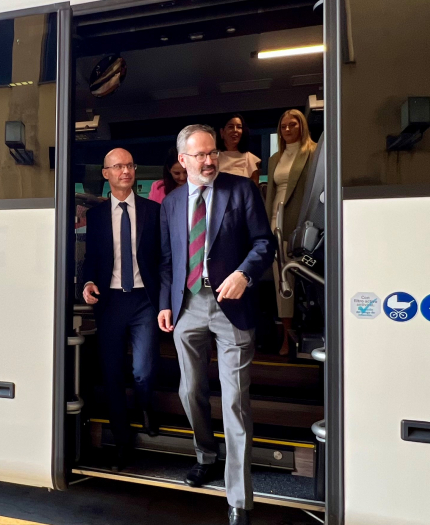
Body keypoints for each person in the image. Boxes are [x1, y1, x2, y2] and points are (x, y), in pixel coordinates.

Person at [157, 125, 275, 525]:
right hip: (187, 305)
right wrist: (165, 303)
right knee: (190, 391)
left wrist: (245, 273)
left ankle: (239, 500)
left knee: (234, 403)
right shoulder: (172, 203)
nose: (209, 161)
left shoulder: (241, 190)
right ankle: (206, 456)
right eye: (201, 155)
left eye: (213, 154)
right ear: (183, 160)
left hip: (233, 307)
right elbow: (169, 260)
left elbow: (265, 243)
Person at [81, 148, 162, 470]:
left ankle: (146, 407)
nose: (125, 171)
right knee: (113, 375)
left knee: (143, 370)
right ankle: (122, 443)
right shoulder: (97, 217)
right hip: (111, 302)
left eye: (129, 165)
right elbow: (91, 259)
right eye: (117, 167)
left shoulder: (153, 211)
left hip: (145, 300)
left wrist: (166, 301)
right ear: (106, 174)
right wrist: (87, 284)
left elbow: (164, 258)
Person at [264, 109, 318, 356]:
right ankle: (287, 338)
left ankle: (312, 333)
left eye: (292, 125)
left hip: (303, 224)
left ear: (301, 126)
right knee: (282, 284)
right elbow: (272, 194)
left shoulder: (314, 151)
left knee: (307, 281)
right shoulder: (275, 158)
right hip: (277, 224)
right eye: (283, 126)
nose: (287, 129)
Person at [216, 114, 261, 184]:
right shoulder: (213, 157)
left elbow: (254, 188)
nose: (235, 130)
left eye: (239, 127)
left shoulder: (250, 159)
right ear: (222, 132)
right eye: (230, 127)